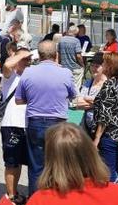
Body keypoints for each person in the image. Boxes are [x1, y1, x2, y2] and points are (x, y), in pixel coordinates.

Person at [15, 40, 77, 195]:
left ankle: (35, 200)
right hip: (58, 123)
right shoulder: (65, 73)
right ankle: (56, 199)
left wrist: (35, 99)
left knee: (36, 166)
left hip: (35, 122)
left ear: (39, 55)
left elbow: (19, 99)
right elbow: (73, 95)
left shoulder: (28, 72)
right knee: (58, 164)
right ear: (56, 55)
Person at [0, 40, 30, 205]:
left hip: (28, 124)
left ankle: (17, 193)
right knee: (12, 162)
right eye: (24, 59)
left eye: (29, 59)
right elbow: (7, 65)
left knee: (23, 162)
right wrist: (21, 54)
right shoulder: (10, 76)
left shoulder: (31, 76)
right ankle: (11, 195)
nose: (27, 61)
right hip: (12, 124)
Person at [91, 52, 118, 181]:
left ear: (110, 66)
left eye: (104, 63)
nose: (102, 65)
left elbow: (104, 115)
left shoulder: (109, 85)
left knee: (108, 171)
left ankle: (113, 191)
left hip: (110, 134)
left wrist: (97, 138)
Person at [57, 24, 84, 89]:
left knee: (65, 85)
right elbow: (78, 56)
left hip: (64, 67)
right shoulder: (76, 41)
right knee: (75, 87)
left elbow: (59, 54)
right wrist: (82, 65)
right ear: (76, 32)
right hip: (74, 67)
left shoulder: (61, 40)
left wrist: (59, 64)